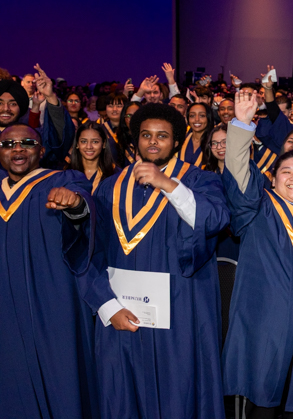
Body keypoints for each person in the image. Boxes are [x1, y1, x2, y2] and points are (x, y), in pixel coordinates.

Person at [83, 103, 230, 419]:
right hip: (121, 317)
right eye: (145, 135)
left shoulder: (199, 180)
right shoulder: (109, 187)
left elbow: (216, 218)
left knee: (177, 396)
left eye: (162, 136)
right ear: (135, 141)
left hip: (178, 316)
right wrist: (107, 307)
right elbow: (89, 252)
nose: (153, 142)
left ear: (176, 141)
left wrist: (167, 184)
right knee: (120, 399)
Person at [221, 91, 293, 418]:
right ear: (272, 178)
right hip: (264, 326)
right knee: (263, 405)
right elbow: (240, 176)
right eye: (286, 172)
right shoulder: (258, 209)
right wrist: (242, 124)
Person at [0, 124, 97, 419]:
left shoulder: (64, 179)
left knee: (60, 380)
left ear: (42, 150)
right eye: (8, 144)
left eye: (27, 142)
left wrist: (75, 205)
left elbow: (84, 208)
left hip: (51, 305)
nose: (17, 149)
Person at [70, 121, 119, 194]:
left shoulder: (116, 174)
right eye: (84, 141)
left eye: (95, 142)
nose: (89, 147)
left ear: (104, 144)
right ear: (77, 144)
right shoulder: (68, 173)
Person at [181, 102, 212, 167]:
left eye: (202, 116)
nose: (197, 119)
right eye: (192, 116)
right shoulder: (181, 139)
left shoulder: (214, 142)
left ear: (208, 118)